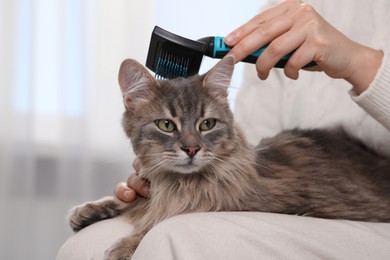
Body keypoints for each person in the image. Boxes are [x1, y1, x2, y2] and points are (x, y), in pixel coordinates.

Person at [57, 0, 390, 259]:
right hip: (305, 158)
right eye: (167, 125)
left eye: (203, 126)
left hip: (375, 196)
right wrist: (156, 188)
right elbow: (252, 143)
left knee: (177, 240)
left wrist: (359, 63)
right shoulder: (282, 13)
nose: (190, 144)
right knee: (87, 244)